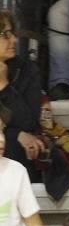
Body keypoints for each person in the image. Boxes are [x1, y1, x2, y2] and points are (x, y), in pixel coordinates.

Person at [0, 9, 44, 171]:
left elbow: (29, 122)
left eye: (12, 33)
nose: (14, 40)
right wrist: (16, 135)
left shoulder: (27, 71)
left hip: (15, 155)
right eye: (5, 34)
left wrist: (4, 86)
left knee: (20, 149)